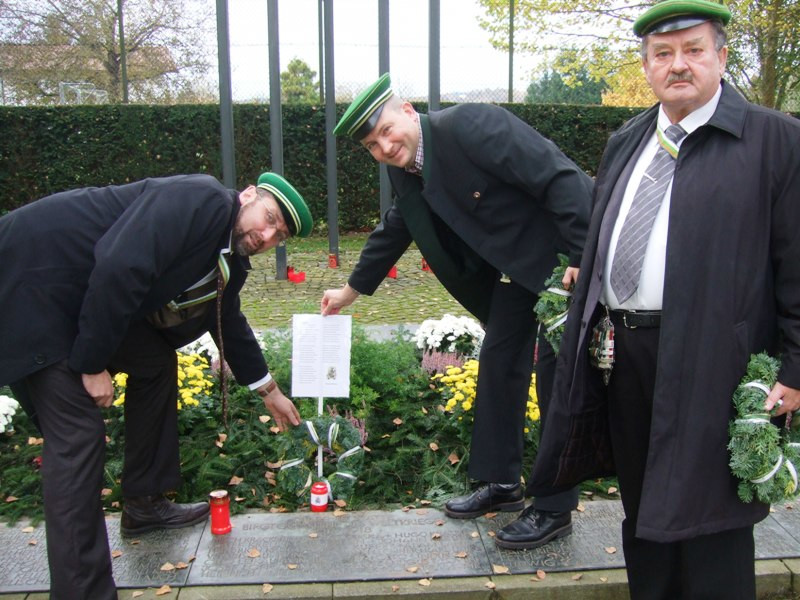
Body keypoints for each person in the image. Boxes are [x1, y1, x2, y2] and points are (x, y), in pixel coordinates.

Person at [526, 0, 800, 597]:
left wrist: (796, 369)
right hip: (626, 356)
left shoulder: (774, 140)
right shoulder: (628, 140)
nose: (678, 65)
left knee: (712, 520)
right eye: (663, 53)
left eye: (693, 50)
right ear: (647, 66)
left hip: (717, 360)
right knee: (644, 507)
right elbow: (609, 229)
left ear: (721, 58)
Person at [0, 172, 313, 599]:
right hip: (34, 283)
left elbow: (227, 319)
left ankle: (144, 503)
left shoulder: (227, 254)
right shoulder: (201, 200)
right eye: (270, 218)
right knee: (77, 436)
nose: (267, 235)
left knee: (153, 363)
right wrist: (92, 364)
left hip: (80, 296)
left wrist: (269, 390)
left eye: (279, 235)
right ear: (248, 196)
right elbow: (119, 266)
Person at [320, 73, 593, 548]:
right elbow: (400, 223)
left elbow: (556, 173)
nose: (384, 147)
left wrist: (581, 252)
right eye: (372, 145)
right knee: (499, 361)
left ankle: (554, 507)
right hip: (514, 269)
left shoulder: (472, 125)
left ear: (407, 110)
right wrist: (352, 290)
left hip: (560, 259)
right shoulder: (404, 168)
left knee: (556, 377)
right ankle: (501, 483)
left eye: (386, 131)